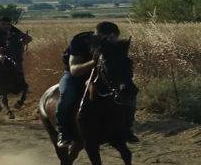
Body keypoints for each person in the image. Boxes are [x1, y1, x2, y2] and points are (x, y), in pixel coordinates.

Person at [55, 21, 139, 149]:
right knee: (67, 94)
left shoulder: (115, 45)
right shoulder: (79, 41)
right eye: (106, 39)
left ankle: (126, 128)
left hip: (101, 75)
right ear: (97, 36)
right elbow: (74, 70)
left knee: (128, 92)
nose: (109, 42)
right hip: (75, 76)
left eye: (113, 39)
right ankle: (64, 132)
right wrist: (94, 62)